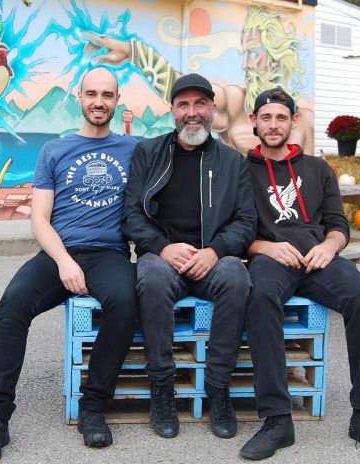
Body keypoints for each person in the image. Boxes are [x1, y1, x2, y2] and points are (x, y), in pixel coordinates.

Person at [0, 67, 139, 462]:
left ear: (117, 101)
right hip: (58, 252)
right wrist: (63, 261)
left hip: (108, 254)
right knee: (11, 306)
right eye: (92, 94)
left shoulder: (134, 150)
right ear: (79, 97)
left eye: (107, 95)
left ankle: (93, 407)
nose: (99, 102)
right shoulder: (55, 150)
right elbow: (39, 219)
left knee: (126, 301)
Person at [239, 89, 360, 460]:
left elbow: (339, 224)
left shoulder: (318, 168)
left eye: (281, 117)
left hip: (317, 258)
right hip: (270, 257)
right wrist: (264, 247)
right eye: (266, 117)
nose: (273, 125)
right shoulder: (240, 171)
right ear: (254, 122)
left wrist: (329, 246)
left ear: (293, 122)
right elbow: (234, 229)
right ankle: (277, 420)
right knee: (260, 299)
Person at [121, 73, 256, 440]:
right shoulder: (148, 152)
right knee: (150, 276)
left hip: (212, 258)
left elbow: (246, 221)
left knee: (236, 277)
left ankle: (218, 388)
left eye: (199, 104)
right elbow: (131, 214)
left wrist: (214, 251)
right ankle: (162, 389)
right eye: (184, 105)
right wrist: (163, 248)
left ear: (212, 109)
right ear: (172, 110)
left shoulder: (232, 161)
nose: (191, 113)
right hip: (163, 257)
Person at [82, 6, 314, 154]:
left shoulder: (305, 121)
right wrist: (135, 52)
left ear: (275, 57)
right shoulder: (234, 102)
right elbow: (184, 89)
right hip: (242, 218)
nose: (245, 64)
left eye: (253, 53)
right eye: (244, 54)